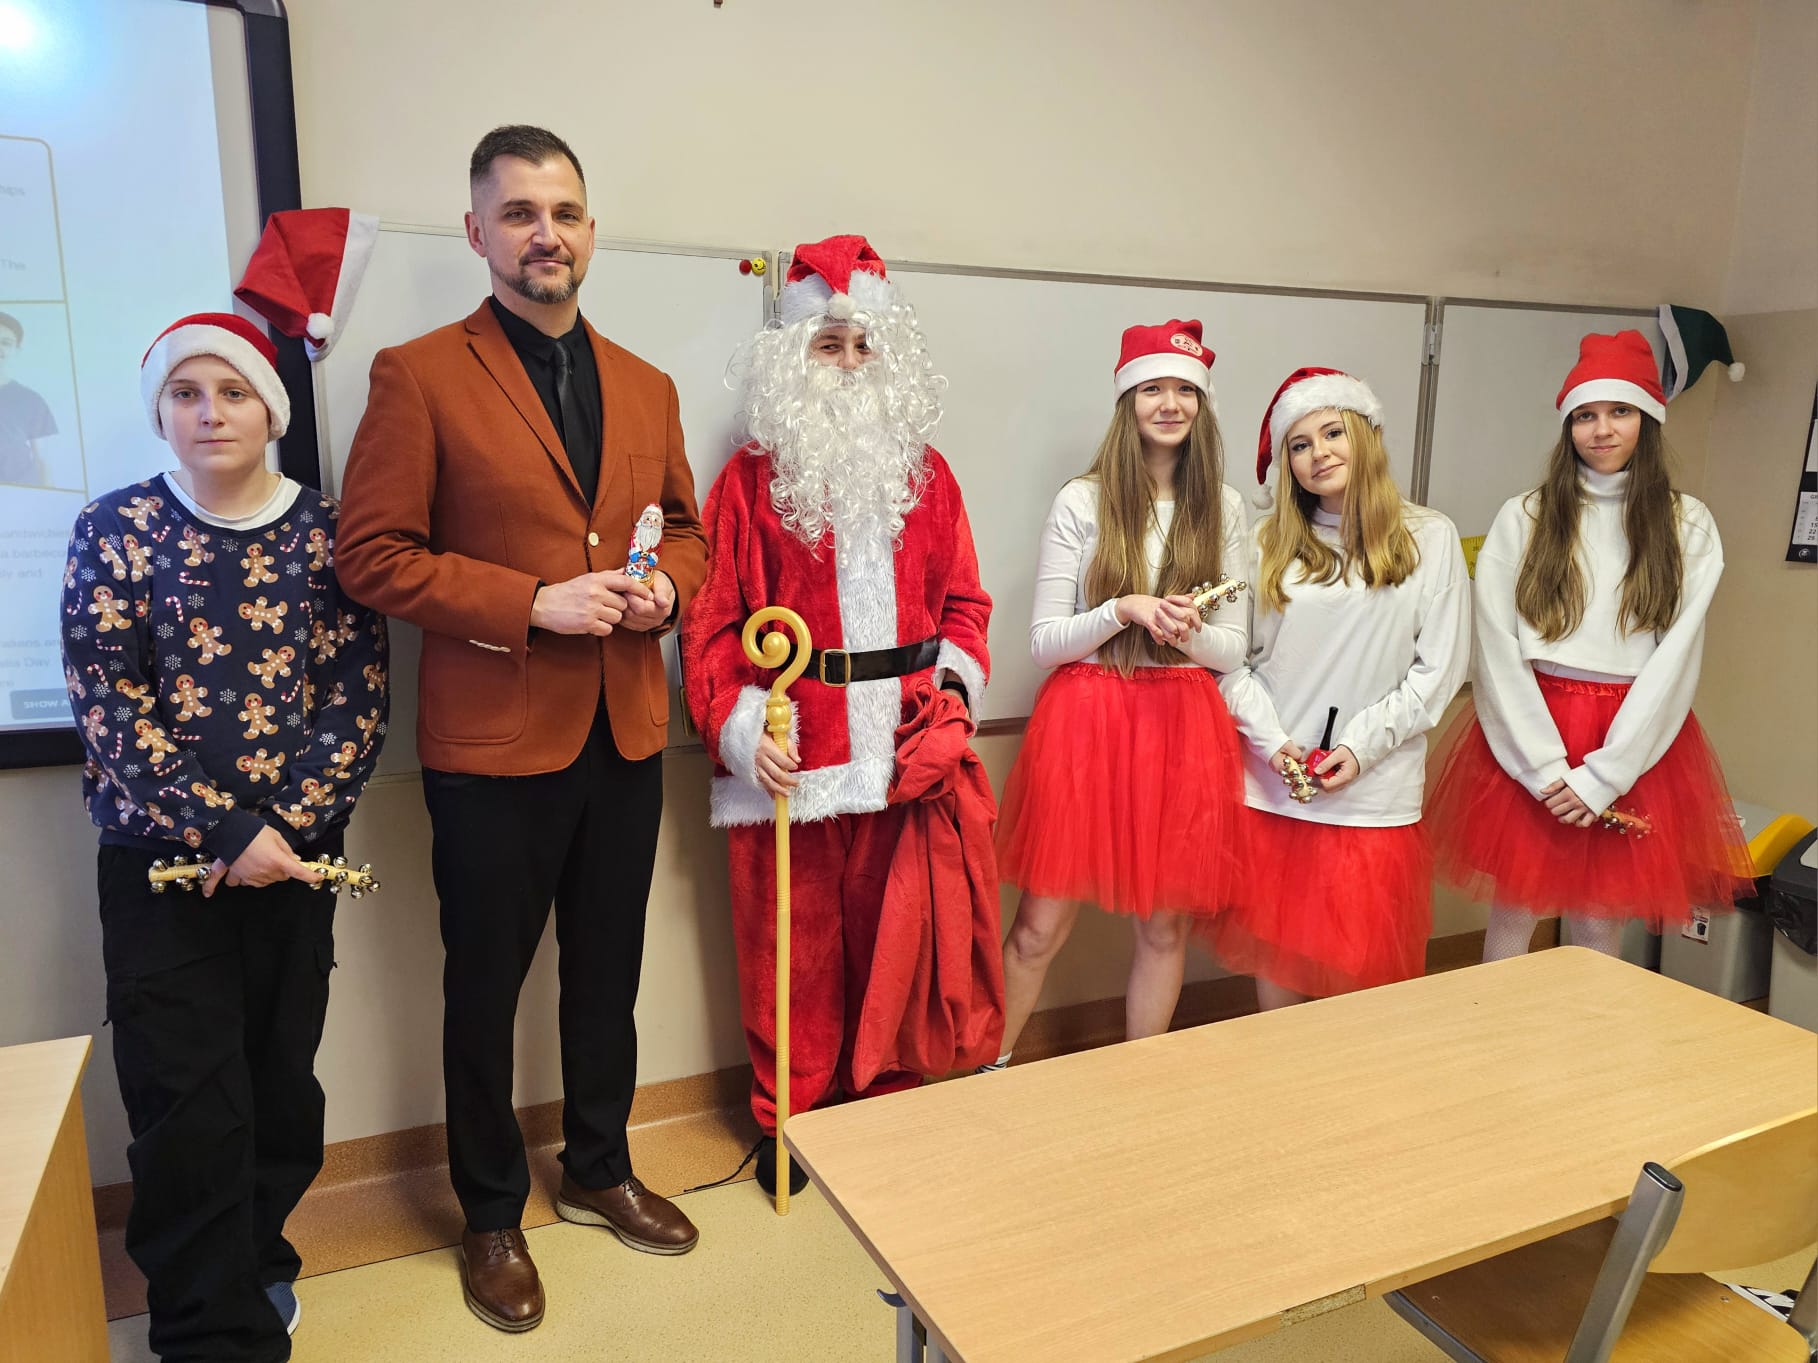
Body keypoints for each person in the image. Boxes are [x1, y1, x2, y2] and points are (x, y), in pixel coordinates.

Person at [335, 125, 707, 1333]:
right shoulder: (417, 374)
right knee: (485, 988)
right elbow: (370, 555)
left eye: (566, 212)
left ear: (591, 229)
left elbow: (686, 531)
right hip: (494, 746)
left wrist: (669, 591)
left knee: (609, 972)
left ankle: (599, 1166)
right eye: (519, 213)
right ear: (477, 232)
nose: (547, 234)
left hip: (626, 731)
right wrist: (530, 602)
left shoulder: (648, 383)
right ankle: (491, 1211)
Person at [61, 311, 387, 1362]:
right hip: (160, 867)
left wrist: (275, 830)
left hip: (294, 860)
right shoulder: (113, 528)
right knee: (185, 1102)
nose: (210, 412)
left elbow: (356, 697)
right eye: (186, 393)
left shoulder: (329, 533)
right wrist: (221, 828)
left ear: (272, 410)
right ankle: (208, 1333)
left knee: (280, 1088)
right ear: (160, 411)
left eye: (233, 391)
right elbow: (108, 702)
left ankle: (254, 1260)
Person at [681, 234, 992, 1197]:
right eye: (830, 345)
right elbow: (711, 625)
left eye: (865, 346)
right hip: (794, 758)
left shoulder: (930, 477)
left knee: (899, 940)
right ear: (793, 356)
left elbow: (965, 607)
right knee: (792, 951)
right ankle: (792, 1115)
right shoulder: (747, 483)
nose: (851, 363)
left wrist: (952, 701)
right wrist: (740, 728)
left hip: (904, 754)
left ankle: (886, 1102)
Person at [1427, 329, 1752, 960]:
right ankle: (1496, 1021)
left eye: (1619, 411)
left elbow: (1674, 662)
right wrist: (1543, 768)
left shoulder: (1688, 524)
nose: (1601, 430)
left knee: (1600, 915)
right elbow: (1495, 648)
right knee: (1514, 908)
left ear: (1647, 421)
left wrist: (1606, 776)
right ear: (1568, 426)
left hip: (1632, 738)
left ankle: (1588, 1025)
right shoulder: (1524, 516)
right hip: (1532, 727)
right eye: (1585, 415)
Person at [989, 320, 1248, 1064]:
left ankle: (1138, 1085)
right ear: (1127, 400)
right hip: (1087, 720)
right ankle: (986, 1072)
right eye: (1152, 388)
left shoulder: (1225, 506)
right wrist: (1123, 609)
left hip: (1182, 727)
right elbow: (1044, 642)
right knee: (1038, 928)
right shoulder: (1083, 500)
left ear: (1201, 403)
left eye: (1184, 390)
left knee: (1165, 928)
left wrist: (1184, 630)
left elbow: (1232, 649)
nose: (1169, 403)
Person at [1211, 368, 1470, 1005]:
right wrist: (1273, 745)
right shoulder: (1262, 541)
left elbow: (1437, 672)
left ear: (1366, 435)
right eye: (1299, 444)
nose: (1319, 453)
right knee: (1277, 987)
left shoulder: (1430, 537)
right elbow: (1230, 663)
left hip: (1373, 798)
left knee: (1361, 999)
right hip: (1276, 792)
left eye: (1333, 433)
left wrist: (1359, 747)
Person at [0, 309, 57, 484]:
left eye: (6, 343)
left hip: (19, 493)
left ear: (17, 350)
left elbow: (43, 460)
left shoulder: (31, 401)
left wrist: (48, 495)